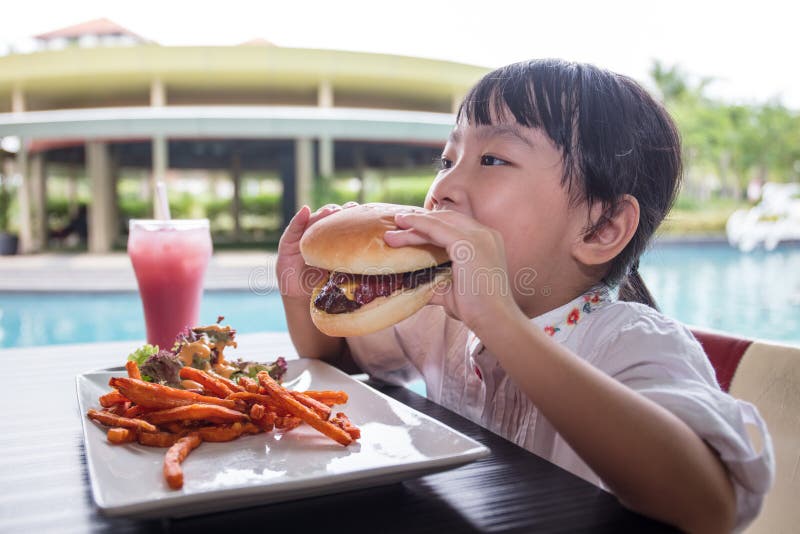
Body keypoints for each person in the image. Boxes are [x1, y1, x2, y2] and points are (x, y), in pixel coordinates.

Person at [276, 59, 773, 532]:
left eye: (492, 158)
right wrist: (303, 291)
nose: (443, 187)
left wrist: (499, 321)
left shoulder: (632, 342)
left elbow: (706, 506)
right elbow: (334, 358)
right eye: (448, 159)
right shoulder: (440, 316)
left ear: (601, 228)